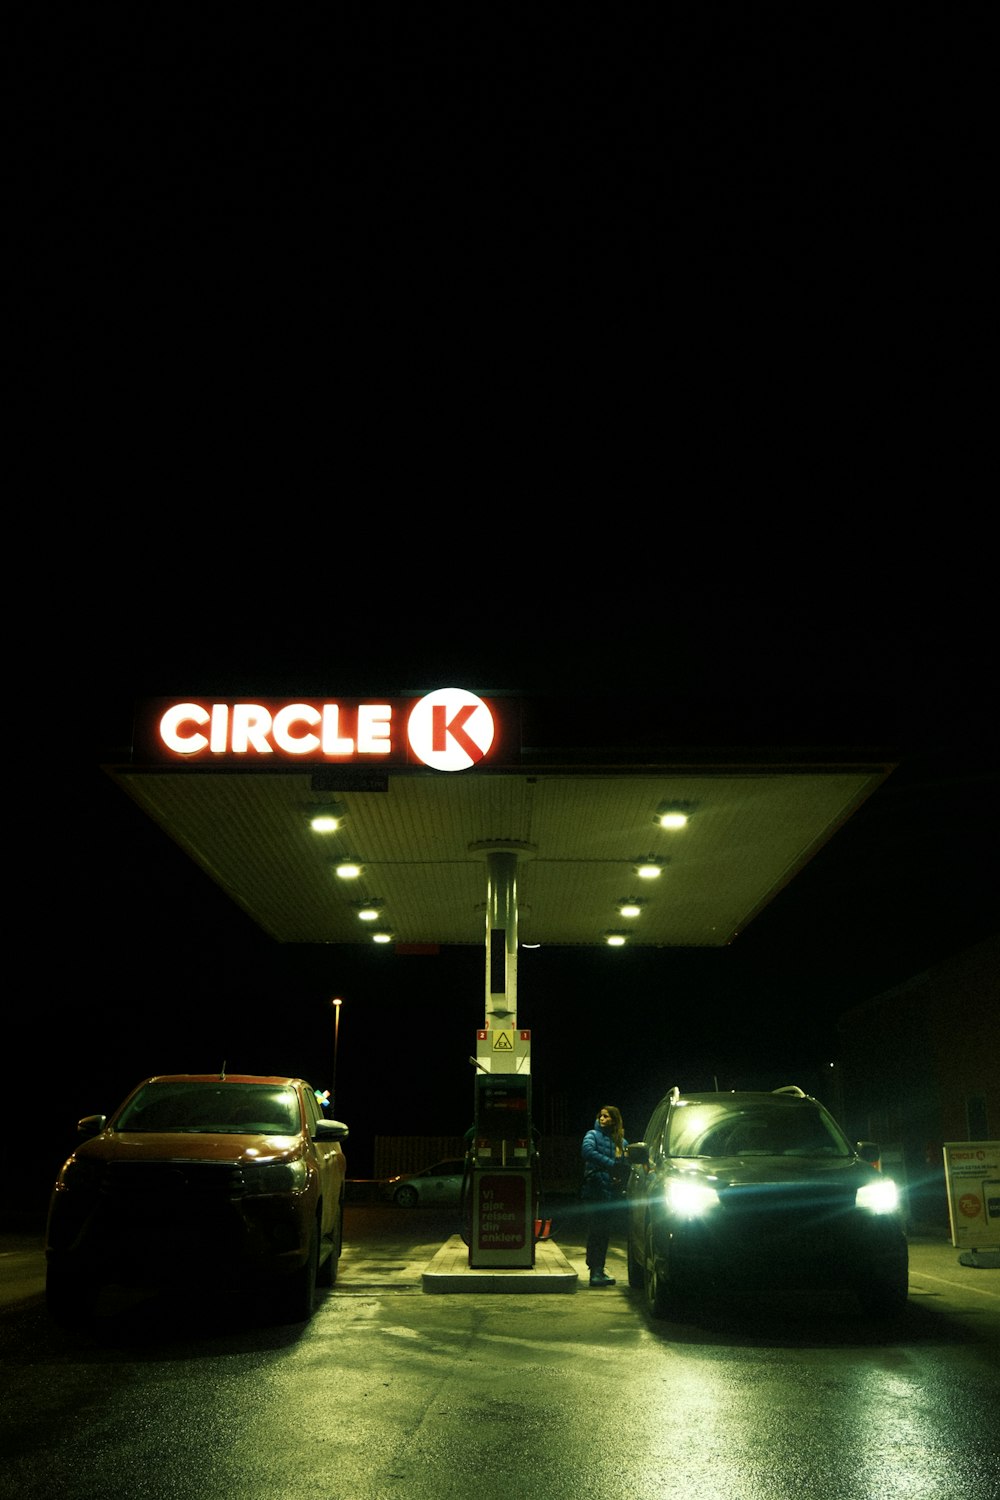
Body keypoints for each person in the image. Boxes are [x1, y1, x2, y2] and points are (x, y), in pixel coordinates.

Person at [580, 1104, 628, 1287]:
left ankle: (599, 1269)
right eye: (601, 1115)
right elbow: (587, 1151)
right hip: (594, 1190)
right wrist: (610, 1164)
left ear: (614, 1120)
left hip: (610, 1193)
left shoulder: (621, 1142)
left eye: (607, 1116)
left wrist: (621, 1177)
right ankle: (595, 1271)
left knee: (604, 1233)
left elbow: (625, 1164)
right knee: (596, 1232)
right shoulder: (592, 1135)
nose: (602, 1119)